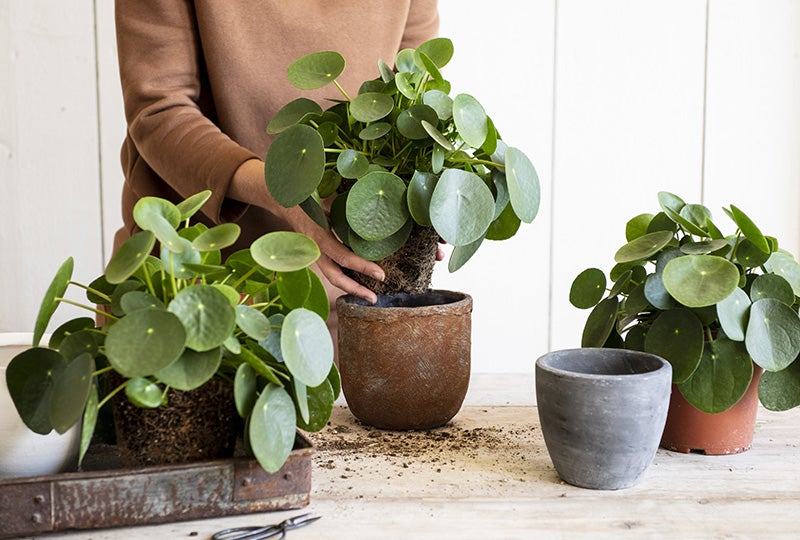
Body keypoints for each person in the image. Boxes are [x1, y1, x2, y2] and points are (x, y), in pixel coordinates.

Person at [113, 1, 440, 311]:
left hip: (351, 296)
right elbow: (160, 109)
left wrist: (422, 204)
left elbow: (414, 91)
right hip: (200, 287)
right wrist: (285, 194)